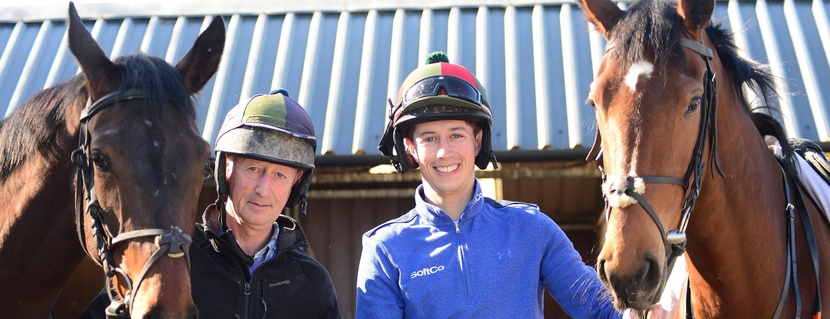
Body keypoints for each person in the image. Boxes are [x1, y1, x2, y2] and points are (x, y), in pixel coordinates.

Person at [357, 52, 672, 318]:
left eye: (456, 134)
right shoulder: (385, 250)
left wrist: (644, 314)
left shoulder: (531, 228)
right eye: (429, 138)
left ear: (478, 141)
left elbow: (598, 309)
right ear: (410, 147)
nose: (444, 152)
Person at [81, 89, 341, 318]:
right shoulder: (169, 263)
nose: (264, 190)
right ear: (225, 168)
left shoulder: (312, 284)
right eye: (253, 169)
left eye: (279, 175)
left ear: (297, 182)